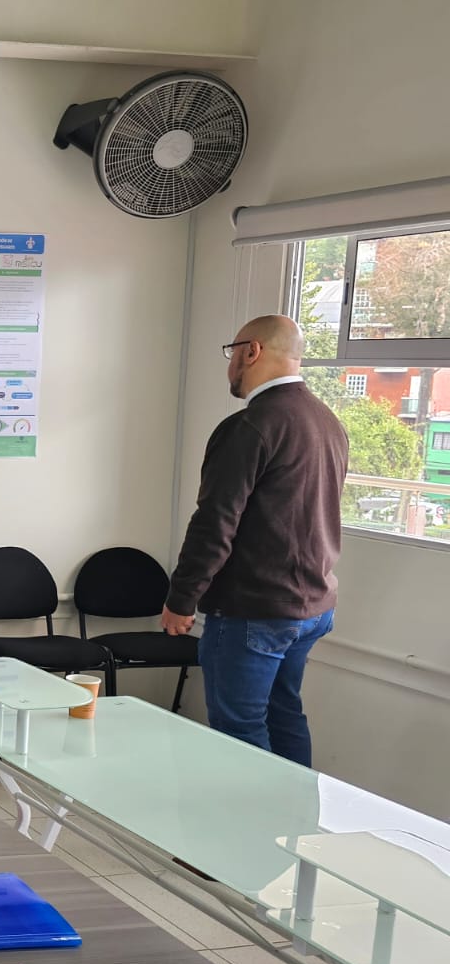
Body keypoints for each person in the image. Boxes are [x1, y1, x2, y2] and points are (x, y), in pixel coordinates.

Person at [161, 314, 349, 767]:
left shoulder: (250, 426)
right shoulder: (327, 421)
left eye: (232, 352)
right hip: (312, 607)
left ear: (252, 351)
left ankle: (252, 816)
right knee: (285, 716)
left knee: (239, 730)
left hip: (254, 610)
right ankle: (296, 814)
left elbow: (214, 523)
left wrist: (182, 598)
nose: (230, 365)